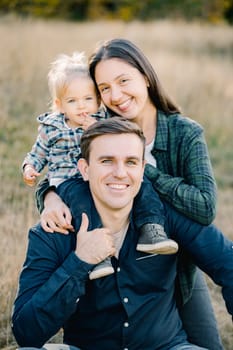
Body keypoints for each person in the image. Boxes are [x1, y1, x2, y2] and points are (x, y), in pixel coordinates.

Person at [35, 39, 223, 348]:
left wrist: (144, 170)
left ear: (145, 77)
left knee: (208, 344)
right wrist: (49, 196)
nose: (116, 96)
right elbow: (67, 171)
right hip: (116, 265)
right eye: (105, 88)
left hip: (173, 264)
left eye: (124, 81)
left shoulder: (184, 133)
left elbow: (204, 207)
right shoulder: (100, 130)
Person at [12, 117, 233, 350]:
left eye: (130, 162)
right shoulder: (54, 229)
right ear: (84, 169)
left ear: (141, 169)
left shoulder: (167, 217)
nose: (120, 173)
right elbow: (26, 333)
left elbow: (228, 263)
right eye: (107, 161)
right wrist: (79, 262)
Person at [22, 51, 177, 280]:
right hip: (68, 180)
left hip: (101, 176)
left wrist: (96, 128)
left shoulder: (103, 120)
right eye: (72, 101)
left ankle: (151, 230)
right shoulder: (51, 127)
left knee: (144, 187)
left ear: (97, 99)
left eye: (88, 99)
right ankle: (98, 254)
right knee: (83, 204)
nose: (82, 106)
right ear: (59, 104)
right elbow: (37, 153)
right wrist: (29, 168)